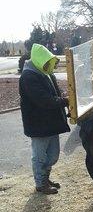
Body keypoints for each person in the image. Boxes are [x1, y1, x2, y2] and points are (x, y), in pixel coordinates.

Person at [19, 43, 70, 194]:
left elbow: (56, 95)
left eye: (51, 62)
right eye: (48, 62)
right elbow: (44, 100)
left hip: (51, 123)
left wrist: (65, 105)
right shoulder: (28, 77)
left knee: (53, 155)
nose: (50, 65)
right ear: (39, 61)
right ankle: (40, 184)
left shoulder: (46, 73)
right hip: (38, 125)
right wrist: (65, 102)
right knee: (40, 156)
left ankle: (45, 178)